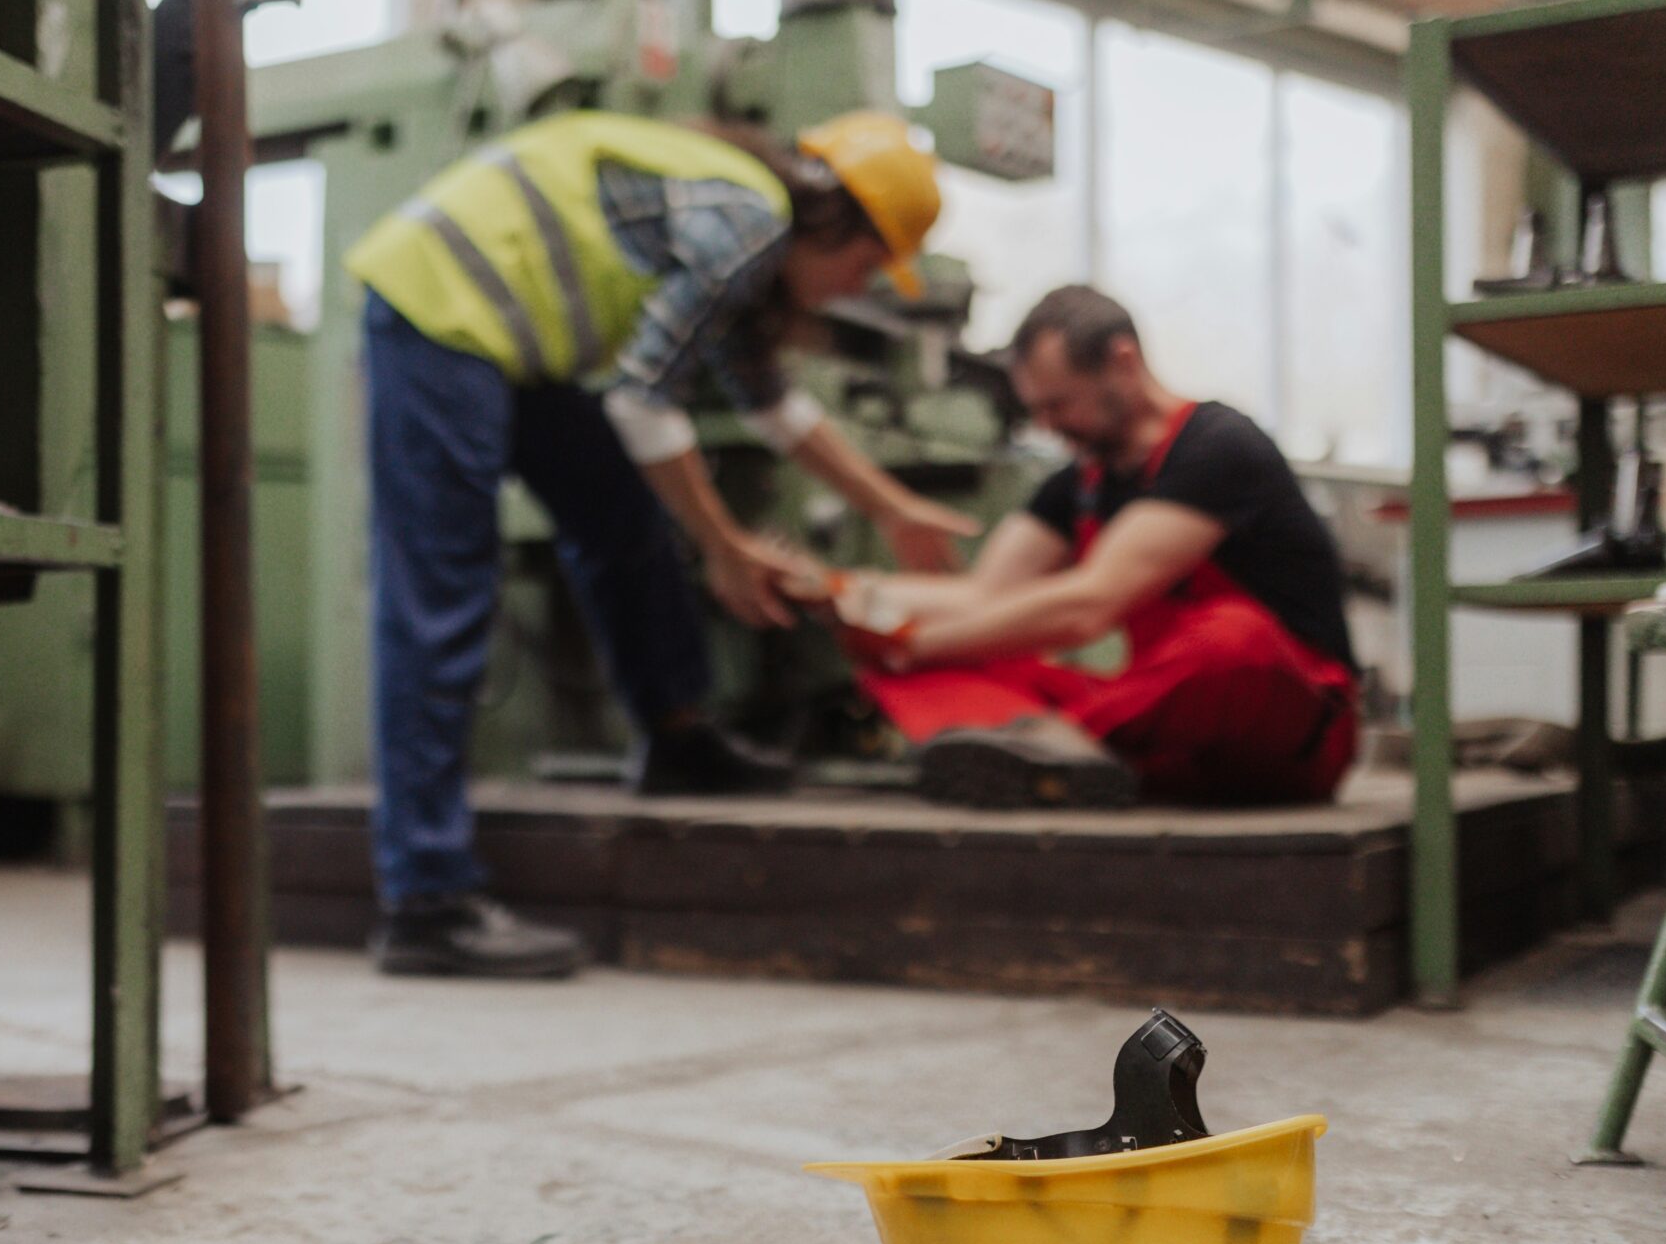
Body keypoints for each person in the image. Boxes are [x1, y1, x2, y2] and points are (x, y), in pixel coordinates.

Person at [344, 109, 973, 978]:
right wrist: (721, 545)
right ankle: (425, 898)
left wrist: (894, 506)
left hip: (503, 340)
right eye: (865, 266)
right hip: (435, 311)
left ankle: (677, 737)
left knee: (623, 516)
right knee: (443, 594)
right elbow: (643, 402)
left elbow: (772, 406)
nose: (847, 291)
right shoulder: (749, 227)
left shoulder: (747, 228)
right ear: (837, 223)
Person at [816, 284, 1358, 809]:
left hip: (1288, 735)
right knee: (953, 663)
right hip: (1166, 734)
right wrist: (845, 593)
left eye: (1060, 404)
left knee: (1233, 639)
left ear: (1122, 362)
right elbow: (984, 596)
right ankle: (1064, 758)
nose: (1050, 427)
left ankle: (1051, 747)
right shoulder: (1078, 482)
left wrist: (911, 642)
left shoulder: (1218, 447)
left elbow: (1088, 607)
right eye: (1039, 412)